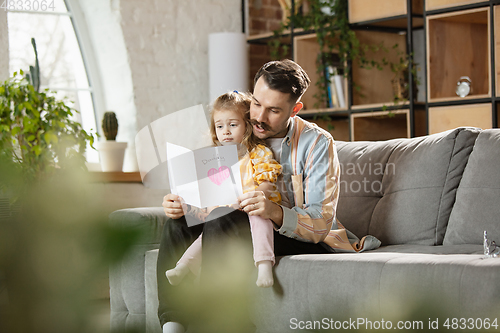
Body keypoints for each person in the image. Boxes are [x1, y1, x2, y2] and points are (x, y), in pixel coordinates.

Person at [158, 59, 380, 333]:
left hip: (297, 236)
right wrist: (183, 204)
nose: (260, 117)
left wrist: (273, 211)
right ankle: (172, 324)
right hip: (236, 219)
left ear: (294, 109)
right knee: (177, 225)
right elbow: (212, 191)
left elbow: (321, 223)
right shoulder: (238, 131)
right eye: (257, 103)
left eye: (274, 110)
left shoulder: (317, 143)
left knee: (224, 221)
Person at [165, 91, 282, 290]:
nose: (225, 131)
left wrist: (255, 196)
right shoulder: (213, 160)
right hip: (225, 212)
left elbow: (267, 181)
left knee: (259, 219)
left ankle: (264, 264)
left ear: (247, 125)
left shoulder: (258, 152)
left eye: (233, 125)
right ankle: (184, 265)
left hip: (253, 207)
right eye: (220, 126)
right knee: (210, 227)